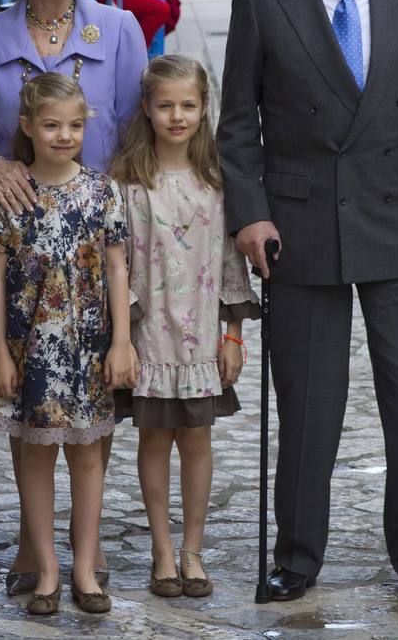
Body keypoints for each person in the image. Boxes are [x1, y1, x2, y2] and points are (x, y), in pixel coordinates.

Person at [217, 0, 398, 604]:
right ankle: (296, 557)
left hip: (397, 217)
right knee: (309, 407)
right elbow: (236, 126)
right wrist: (249, 212)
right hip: (301, 224)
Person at [0, 0, 147, 596]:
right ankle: (37, 555)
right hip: (19, 250)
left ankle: (83, 555)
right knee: (25, 409)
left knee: (92, 415)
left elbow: (133, 137)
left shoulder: (117, 30)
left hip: (96, 255)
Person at [0, 74, 138, 616]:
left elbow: (118, 270)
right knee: (36, 453)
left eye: (74, 125)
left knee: (88, 455)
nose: (64, 135)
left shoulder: (102, 191)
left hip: (88, 346)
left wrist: (122, 341)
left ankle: (85, 568)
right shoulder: (11, 194)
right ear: (27, 126)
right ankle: (45, 569)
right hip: (30, 350)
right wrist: (0, 351)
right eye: (51, 125)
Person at [108, 55, 259, 599]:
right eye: (165, 105)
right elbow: (115, 262)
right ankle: (162, 550)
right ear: (146, 108)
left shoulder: (217, 179)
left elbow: (228, 262)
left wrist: (234, 333)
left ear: (203, 109)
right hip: (148, 338)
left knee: (196, 439)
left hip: (201, 339)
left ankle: (193, 548)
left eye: (188, 105)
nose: (177, 115)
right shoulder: (125, 182)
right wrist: (120, 338)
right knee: (154, 439)